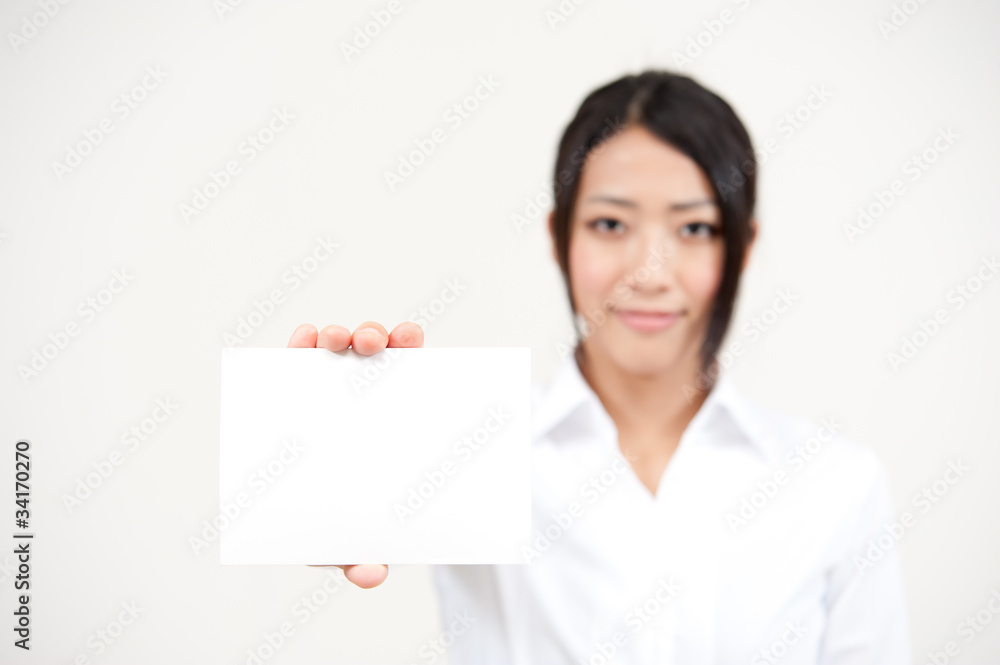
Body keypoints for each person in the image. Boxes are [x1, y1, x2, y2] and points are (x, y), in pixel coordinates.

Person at [286, 70, 911, 663]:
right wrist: (334, 447)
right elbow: (347, 498)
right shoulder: (475, 451)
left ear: (741, 246)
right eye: (610, 223)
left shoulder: (833, 486)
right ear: (561, 237)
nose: (649, 272)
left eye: (693, 228)